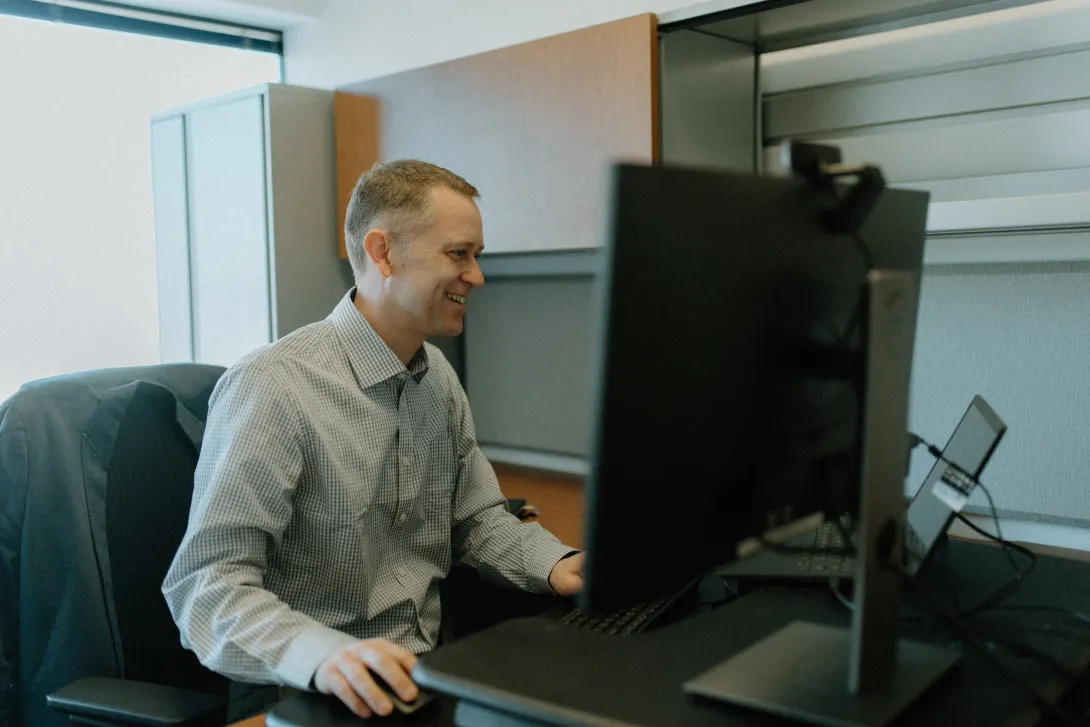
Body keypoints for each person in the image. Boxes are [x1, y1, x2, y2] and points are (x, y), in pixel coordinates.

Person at [163, 160, 584, 720]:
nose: (477, 276)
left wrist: (559, 564)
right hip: (302, 692)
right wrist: (324, 656)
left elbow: (478, 520)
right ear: (383, 252)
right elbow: (206, 585)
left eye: (476, 256)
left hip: (419, 681)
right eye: (459, 254)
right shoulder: (274, 386)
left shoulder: (437, 377)